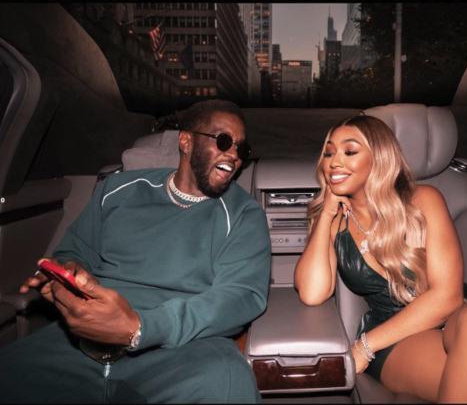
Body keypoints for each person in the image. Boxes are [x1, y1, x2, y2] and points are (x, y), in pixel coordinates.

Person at [0, 99, 271, 403]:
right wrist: (68, 273)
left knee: (228, 385)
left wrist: (139, 328)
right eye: (223, 141)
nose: (234, 155)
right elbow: (75, 252)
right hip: (81, 338)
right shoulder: (117, 190)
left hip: (184, 348)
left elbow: (240, 296)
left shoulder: (244, 213)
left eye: (241, 149)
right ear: (185, 141)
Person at [294, 115, 467, 403]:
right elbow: (312, 293)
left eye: (349, 151)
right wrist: (325, 214)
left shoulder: (423, 199)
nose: (334, 162)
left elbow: (447, 297)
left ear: (380, 158)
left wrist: (363, 347)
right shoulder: (334, 221)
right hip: (397, 338)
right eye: (328, 153)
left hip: (464, 318)